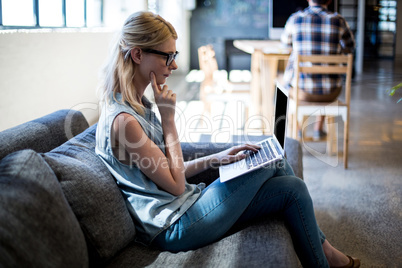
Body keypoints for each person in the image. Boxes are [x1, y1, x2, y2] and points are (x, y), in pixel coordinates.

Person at [95, 11, 360, 267]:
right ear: (138, 54)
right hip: (175, 226)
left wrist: (218, 158)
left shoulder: (136, 106)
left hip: (186, 205)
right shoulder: (124, 122)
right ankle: (328, 256)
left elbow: (167, 173)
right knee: (269, 160)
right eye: (168, 56)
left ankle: (325, 255)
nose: (174, 65)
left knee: (292, 187)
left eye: (174, 56)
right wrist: (169, 120)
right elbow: (176, 186)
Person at [281, 0, 355, 140]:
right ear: (329, 0)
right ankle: (318, 128)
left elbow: (285, 45)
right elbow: (349, 47)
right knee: (324, 78)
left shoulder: (295, 19)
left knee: (285, 83)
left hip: (302, 92)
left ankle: (297, 130)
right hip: (331, 92)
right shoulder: (338, 20)